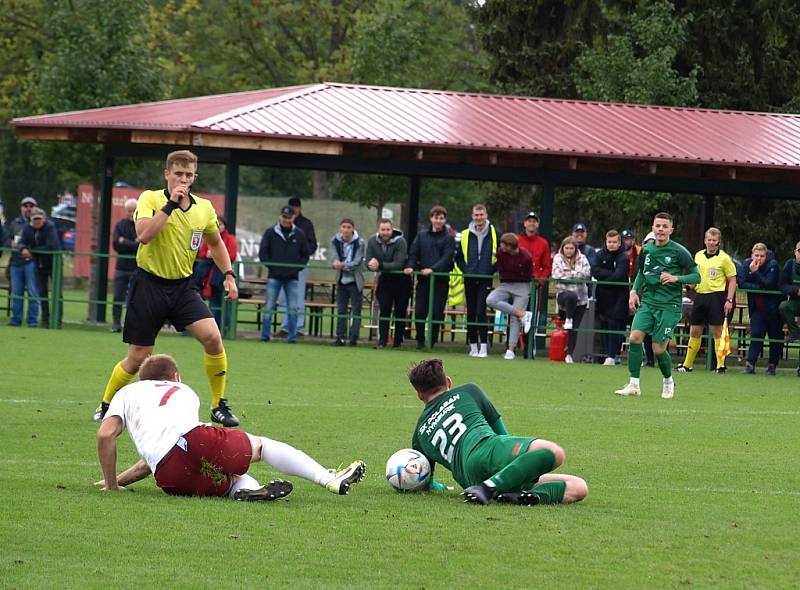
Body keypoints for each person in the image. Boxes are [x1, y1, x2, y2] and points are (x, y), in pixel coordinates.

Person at [94, 150, 240, 427]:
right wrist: (170, 206)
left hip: (183, 287)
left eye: (188, 175)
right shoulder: (151, 198)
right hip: (149, 284)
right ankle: (107, 403)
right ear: (167, 175)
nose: (183, 180)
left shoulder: (204, 208)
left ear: (195, 176)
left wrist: (229, 275)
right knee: (137, 358)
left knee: (213, 338)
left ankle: (218, 404)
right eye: (178, 174)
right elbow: (144, 235)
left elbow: (216, 243)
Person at [95, 354, 366, 500]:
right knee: (262, 446)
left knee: (225, 481)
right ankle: (328, 479)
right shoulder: (184, 390)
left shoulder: (127, 393)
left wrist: (112, 484)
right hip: (195, 439)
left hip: (169, 474)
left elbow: (107, 434)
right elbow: (187, 441)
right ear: (175, 377)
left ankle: (244, 490)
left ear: (143, 378)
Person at [407, 358, 588, 506]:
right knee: (554, 452)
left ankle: (524, 496)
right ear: (448, 382)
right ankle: (489, 488)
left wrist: (438, 487)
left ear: (419, 394)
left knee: (579, 487)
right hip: (486, 450)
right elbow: (502, 434)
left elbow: (425, 478)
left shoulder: (420, 433)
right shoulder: (469, 391)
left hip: (470, 480)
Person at [615, 213, 700, 399]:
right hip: (648, 303)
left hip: (669, 306)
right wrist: (634, 291)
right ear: (653, 228)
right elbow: (642, 274)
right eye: (658, 226)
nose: (661, 229)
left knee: (658, 349)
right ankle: (634, 384)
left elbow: (696, 276)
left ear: (671, 229)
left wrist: (677, 278)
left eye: (664, 226)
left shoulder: (679, 251)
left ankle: (668, 381)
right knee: (635, 338)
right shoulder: (646, 250)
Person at [676, 227, 738, 374]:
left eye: (714, 240)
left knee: (717, 331)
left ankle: (720, 365)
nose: (711, 243)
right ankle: (687, 365)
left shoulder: (724, 258)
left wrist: (729, 299)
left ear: (718, 242)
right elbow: (694, 276)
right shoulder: (698, 256)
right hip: (700, 296)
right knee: (695, 330)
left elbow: (733, 279)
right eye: (709, 240)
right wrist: (688, 286)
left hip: (716, 296)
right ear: (705, 241)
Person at [404, 206, 456, 350]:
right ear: (431, 218)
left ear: (445, 220)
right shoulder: (422, 235)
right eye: (436, 217)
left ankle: (431, 342)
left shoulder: (449, 238)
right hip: (424, 281)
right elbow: (414, 253)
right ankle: (420, 340)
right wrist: (410, 266)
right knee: (420, 311)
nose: (438, 221)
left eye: (441, 218)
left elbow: (447, 258)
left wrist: (433, 269)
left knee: (436, 313)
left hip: (440, 281)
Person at [258, 206, 312, 343]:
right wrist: (273, 267)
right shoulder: (270, 232)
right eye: (284, 217)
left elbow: (305, 254)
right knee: (269, 306)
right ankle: (265, 336)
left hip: (292, 278)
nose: (286, 220)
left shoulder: (299, 234)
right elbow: (263, 253)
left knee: (293, 308)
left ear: (293, 218)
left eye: (289, 217)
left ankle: (292, 338)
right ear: (280, 217)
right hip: (274, 277)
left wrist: (297, 268)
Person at [455, 204, 497, 358]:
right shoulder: (465, 234)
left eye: (481, 214)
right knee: (471, 312)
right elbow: (458, 257)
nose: (479, 218)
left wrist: (490, 270)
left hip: (485, 278)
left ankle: (484, 347)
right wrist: (466, 270)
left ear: (486, 215)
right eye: (476, 215)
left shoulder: (494, 233)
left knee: (481, 312)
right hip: (469, 278)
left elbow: (500, 255)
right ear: (472, 216)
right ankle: (473, 346)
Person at [486, 233, 533, 360]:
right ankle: (522, 314)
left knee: (514, 319)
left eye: (503, 244)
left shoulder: (526, 257)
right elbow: (501, 270)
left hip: (522, 286)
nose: (501, 246)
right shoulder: (501, 253)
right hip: (506, 284)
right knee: (490, 299)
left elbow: (528, 275)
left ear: (510, 246)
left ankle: (510, 350)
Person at [366, 218, 412, 349]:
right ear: (378, 230)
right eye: (383, 229)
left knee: (400, 311)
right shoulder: (372, 241)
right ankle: (382, 342)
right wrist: (371, 265)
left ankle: (397, 342)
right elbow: (368, 260)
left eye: (388, 229)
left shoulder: (401, 241)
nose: (385, 232)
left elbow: (399, 263)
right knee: (384, 309)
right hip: (385, 279)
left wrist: (379, 265)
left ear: (392, 229)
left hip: (402, 280)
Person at [738, 243, 783, 375]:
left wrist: (756, 273)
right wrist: (758, 287)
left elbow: (769, 284)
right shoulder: (747, 264)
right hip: (757, 307)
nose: (758, 258)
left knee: (775, 336)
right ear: (752, 255)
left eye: (762, 256)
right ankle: (750, 365)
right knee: (756, 334)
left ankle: (772, 366)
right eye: (756, 255)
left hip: (774, 308)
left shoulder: (772, 265)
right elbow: (742, 282)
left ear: (766, 256)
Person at [279, 197, 317, 337]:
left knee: (299, 296)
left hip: (299, 266)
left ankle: (298, 328)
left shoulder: (306, 224)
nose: (294, 209)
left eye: (296, 206)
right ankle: (285, 327)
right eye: (292, 206)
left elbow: (313, 245)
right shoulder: (280, 225)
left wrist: (301, 255)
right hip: (282, 266)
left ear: (300, 208)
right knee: (283, 297)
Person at [591, 230, 630, 366]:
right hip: (603, 295)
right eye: (609, 242)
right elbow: (595, 271)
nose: (612, 244)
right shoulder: (599, 254)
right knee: (603, 323)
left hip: (619, 296)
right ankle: (606, 354)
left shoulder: (623, 257)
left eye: (614, 242)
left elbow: (619, 275)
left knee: (615, 324)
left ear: (619, 243)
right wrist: (610, 274)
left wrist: (605, 275)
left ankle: (613, 355)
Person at [552, 236, 591, 363]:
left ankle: (569, 354)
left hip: (581, 299)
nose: (569, 251)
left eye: (571, 248)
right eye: (567, 248)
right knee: (570, 296)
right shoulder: (557, 258)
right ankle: (568, 317)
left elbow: (586, 274)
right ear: (563, 248)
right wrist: (574, 274)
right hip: (563, 294)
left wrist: (570, 274)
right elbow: (557, 275)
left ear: (575, 249)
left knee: (574, 328)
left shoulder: (583, 258)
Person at [19, 208, 61, 328]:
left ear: (44, 219)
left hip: (54, 263)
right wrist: (23, 248)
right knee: (42, 292)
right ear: (31, 220)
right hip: (39, 264)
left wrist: (32, 251)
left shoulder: (50, 227)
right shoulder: (28, 228)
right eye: (35, 219)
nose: (37, 222)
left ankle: (57, 321)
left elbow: (51, 246)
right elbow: (22, 242)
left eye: (39, 219)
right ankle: (45, 320)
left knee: (57, 293)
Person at [195, 215, 238, 331]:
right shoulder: (208, 238)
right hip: (211, 277)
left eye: (221, 224)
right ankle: (216, 328)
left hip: (223, 276)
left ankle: (226, 327)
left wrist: (216, 255)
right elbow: (201, 253)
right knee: (214, 303)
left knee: (225, 303)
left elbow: (232, 255)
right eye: (216, 224)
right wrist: (207, 254)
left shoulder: (230, 239)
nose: (218, 227)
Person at [517, 212, 552, 353]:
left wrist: (540, 282)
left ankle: (530, 348)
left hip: (534, 286)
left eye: (534, 221)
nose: (531, 223)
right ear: (525, 223)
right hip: (518, 284)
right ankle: (511, 347)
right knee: (515, 316)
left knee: (532, 317)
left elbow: (546, 266)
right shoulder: (517, 239)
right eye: (529, 221)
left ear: (537, 224)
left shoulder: (543, 243)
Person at [330, 218, 366, 346]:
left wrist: (342, 265)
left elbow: (357, 262)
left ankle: (354, 338)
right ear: (340, 228)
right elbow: (333, 257)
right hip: (341, 281)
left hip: (355, 280)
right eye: (343, 227)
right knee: (341, 310)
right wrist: (335, 263)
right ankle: (340, 337)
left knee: (356, 310)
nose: (346, 230)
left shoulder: (360, 242)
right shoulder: (335, 241)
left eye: (348, 227)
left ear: (353, 229)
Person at [6, 196, 40, 327]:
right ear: (21, 208)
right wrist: (10, 243)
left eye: (31, 206)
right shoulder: (14, 223)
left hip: (31, 261)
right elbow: (6, 239)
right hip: (16, 262)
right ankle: (16, 320)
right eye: (26, 206)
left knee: (33, 292)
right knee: (17, 292)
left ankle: (32, 321)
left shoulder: (38, 222)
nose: (28, 208)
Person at [111, 199, 139, 333]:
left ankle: (132, 326)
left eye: (134, 210)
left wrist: (125, 242)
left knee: (136, 299)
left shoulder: (142, 224)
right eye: (129, 210)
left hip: (137, 268)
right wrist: (132, 243)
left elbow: (140, 245)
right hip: (121, 267)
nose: (131, 213)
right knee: (117, 296)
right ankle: (116, 324)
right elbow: (116, 244)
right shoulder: (120, 225)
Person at [778, 240, 800, 343]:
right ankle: (795, 332)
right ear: (795, 252)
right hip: (795, 301)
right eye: (799, 251)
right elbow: (782, 284)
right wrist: (796, 290)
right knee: (783, 306)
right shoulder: (790, 264)